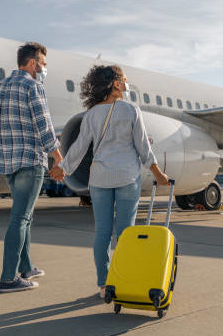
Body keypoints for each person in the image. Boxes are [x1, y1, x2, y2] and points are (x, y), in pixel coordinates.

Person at [49, 65, 169, 298]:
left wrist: (61, 167)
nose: (126, 84)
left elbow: (79, 147)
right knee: (126, 234)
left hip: (99, 180)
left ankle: (104, 285)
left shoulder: (92, 114)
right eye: (124, 80)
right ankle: (124, 279)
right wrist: (158, 174)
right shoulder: (131, 110)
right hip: (126, 178)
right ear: (115, 83)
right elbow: (143, 147)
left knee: (102, 233)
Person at [0, 42, 64, 293]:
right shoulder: (33, 86)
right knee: (20, 218)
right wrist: (59, 158)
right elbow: (44, 126)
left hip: (7, 163)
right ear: (32, 63)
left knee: (23, 216)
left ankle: (26, 266)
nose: (44, 68)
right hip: (29, 161)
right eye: (43, 63)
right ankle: (9, 279)